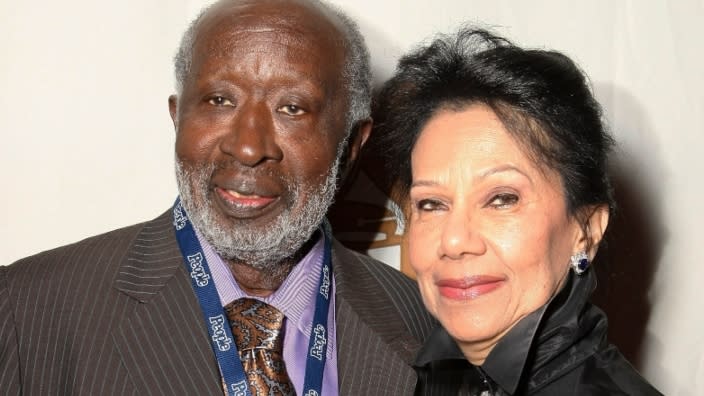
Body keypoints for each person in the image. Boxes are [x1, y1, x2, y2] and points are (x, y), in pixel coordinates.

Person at [0, 1, 436, 395]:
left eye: (292, 108)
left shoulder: (425, 320)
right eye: (219, 100)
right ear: (177, 118)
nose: (248, 147)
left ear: (352, 146)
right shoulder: (27, 309)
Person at [370, 28, 662, 395]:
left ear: (585, 230)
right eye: (432, 204)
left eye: (502, 199)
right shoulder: (418, 374)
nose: (455, 240)